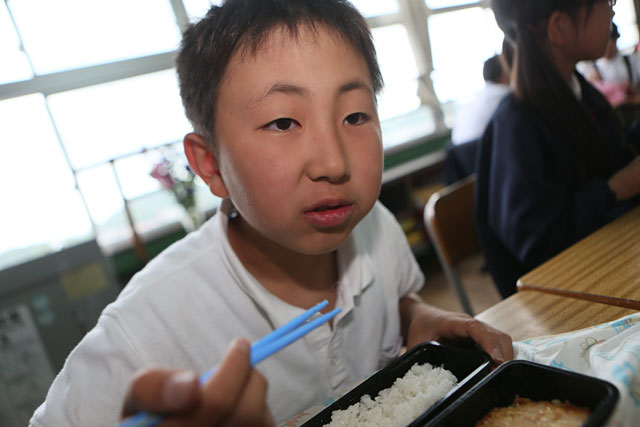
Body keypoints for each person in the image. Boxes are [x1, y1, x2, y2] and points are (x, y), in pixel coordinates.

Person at [30, 1, 513, 426]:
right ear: (210, 164)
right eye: (283, 122)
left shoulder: (374, 227)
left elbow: (397, 300)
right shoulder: (139, 336)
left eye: (354, 116)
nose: (334, 163)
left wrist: (418, 318)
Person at [476, 0, 640, 298]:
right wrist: (619, 187)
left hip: (613, 261)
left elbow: (617, 156)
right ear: (559, 27)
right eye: (605, 1)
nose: (612, 9)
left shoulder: (580, 92)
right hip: (565, 296)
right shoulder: (517, 123)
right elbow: (539, 243)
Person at [451, 54, 511, 146]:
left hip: (463, 153)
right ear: (504, 73)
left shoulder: (474, 100)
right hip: (488, 151)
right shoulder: (506, 95)